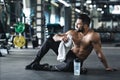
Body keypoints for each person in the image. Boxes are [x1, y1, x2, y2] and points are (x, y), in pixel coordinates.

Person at [25, 14, 116, 73]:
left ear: (85, 25)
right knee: (49, 39)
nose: (76, 25)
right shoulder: (73, 32)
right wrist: (61, 38)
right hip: (69, 55)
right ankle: (35, 61)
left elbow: (99, 53)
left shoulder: (93, 36)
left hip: (77, 60)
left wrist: (107, 67)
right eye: (76, 23)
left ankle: (44, 67)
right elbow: (54, 37)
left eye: (78, 24)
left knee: (70, 66)